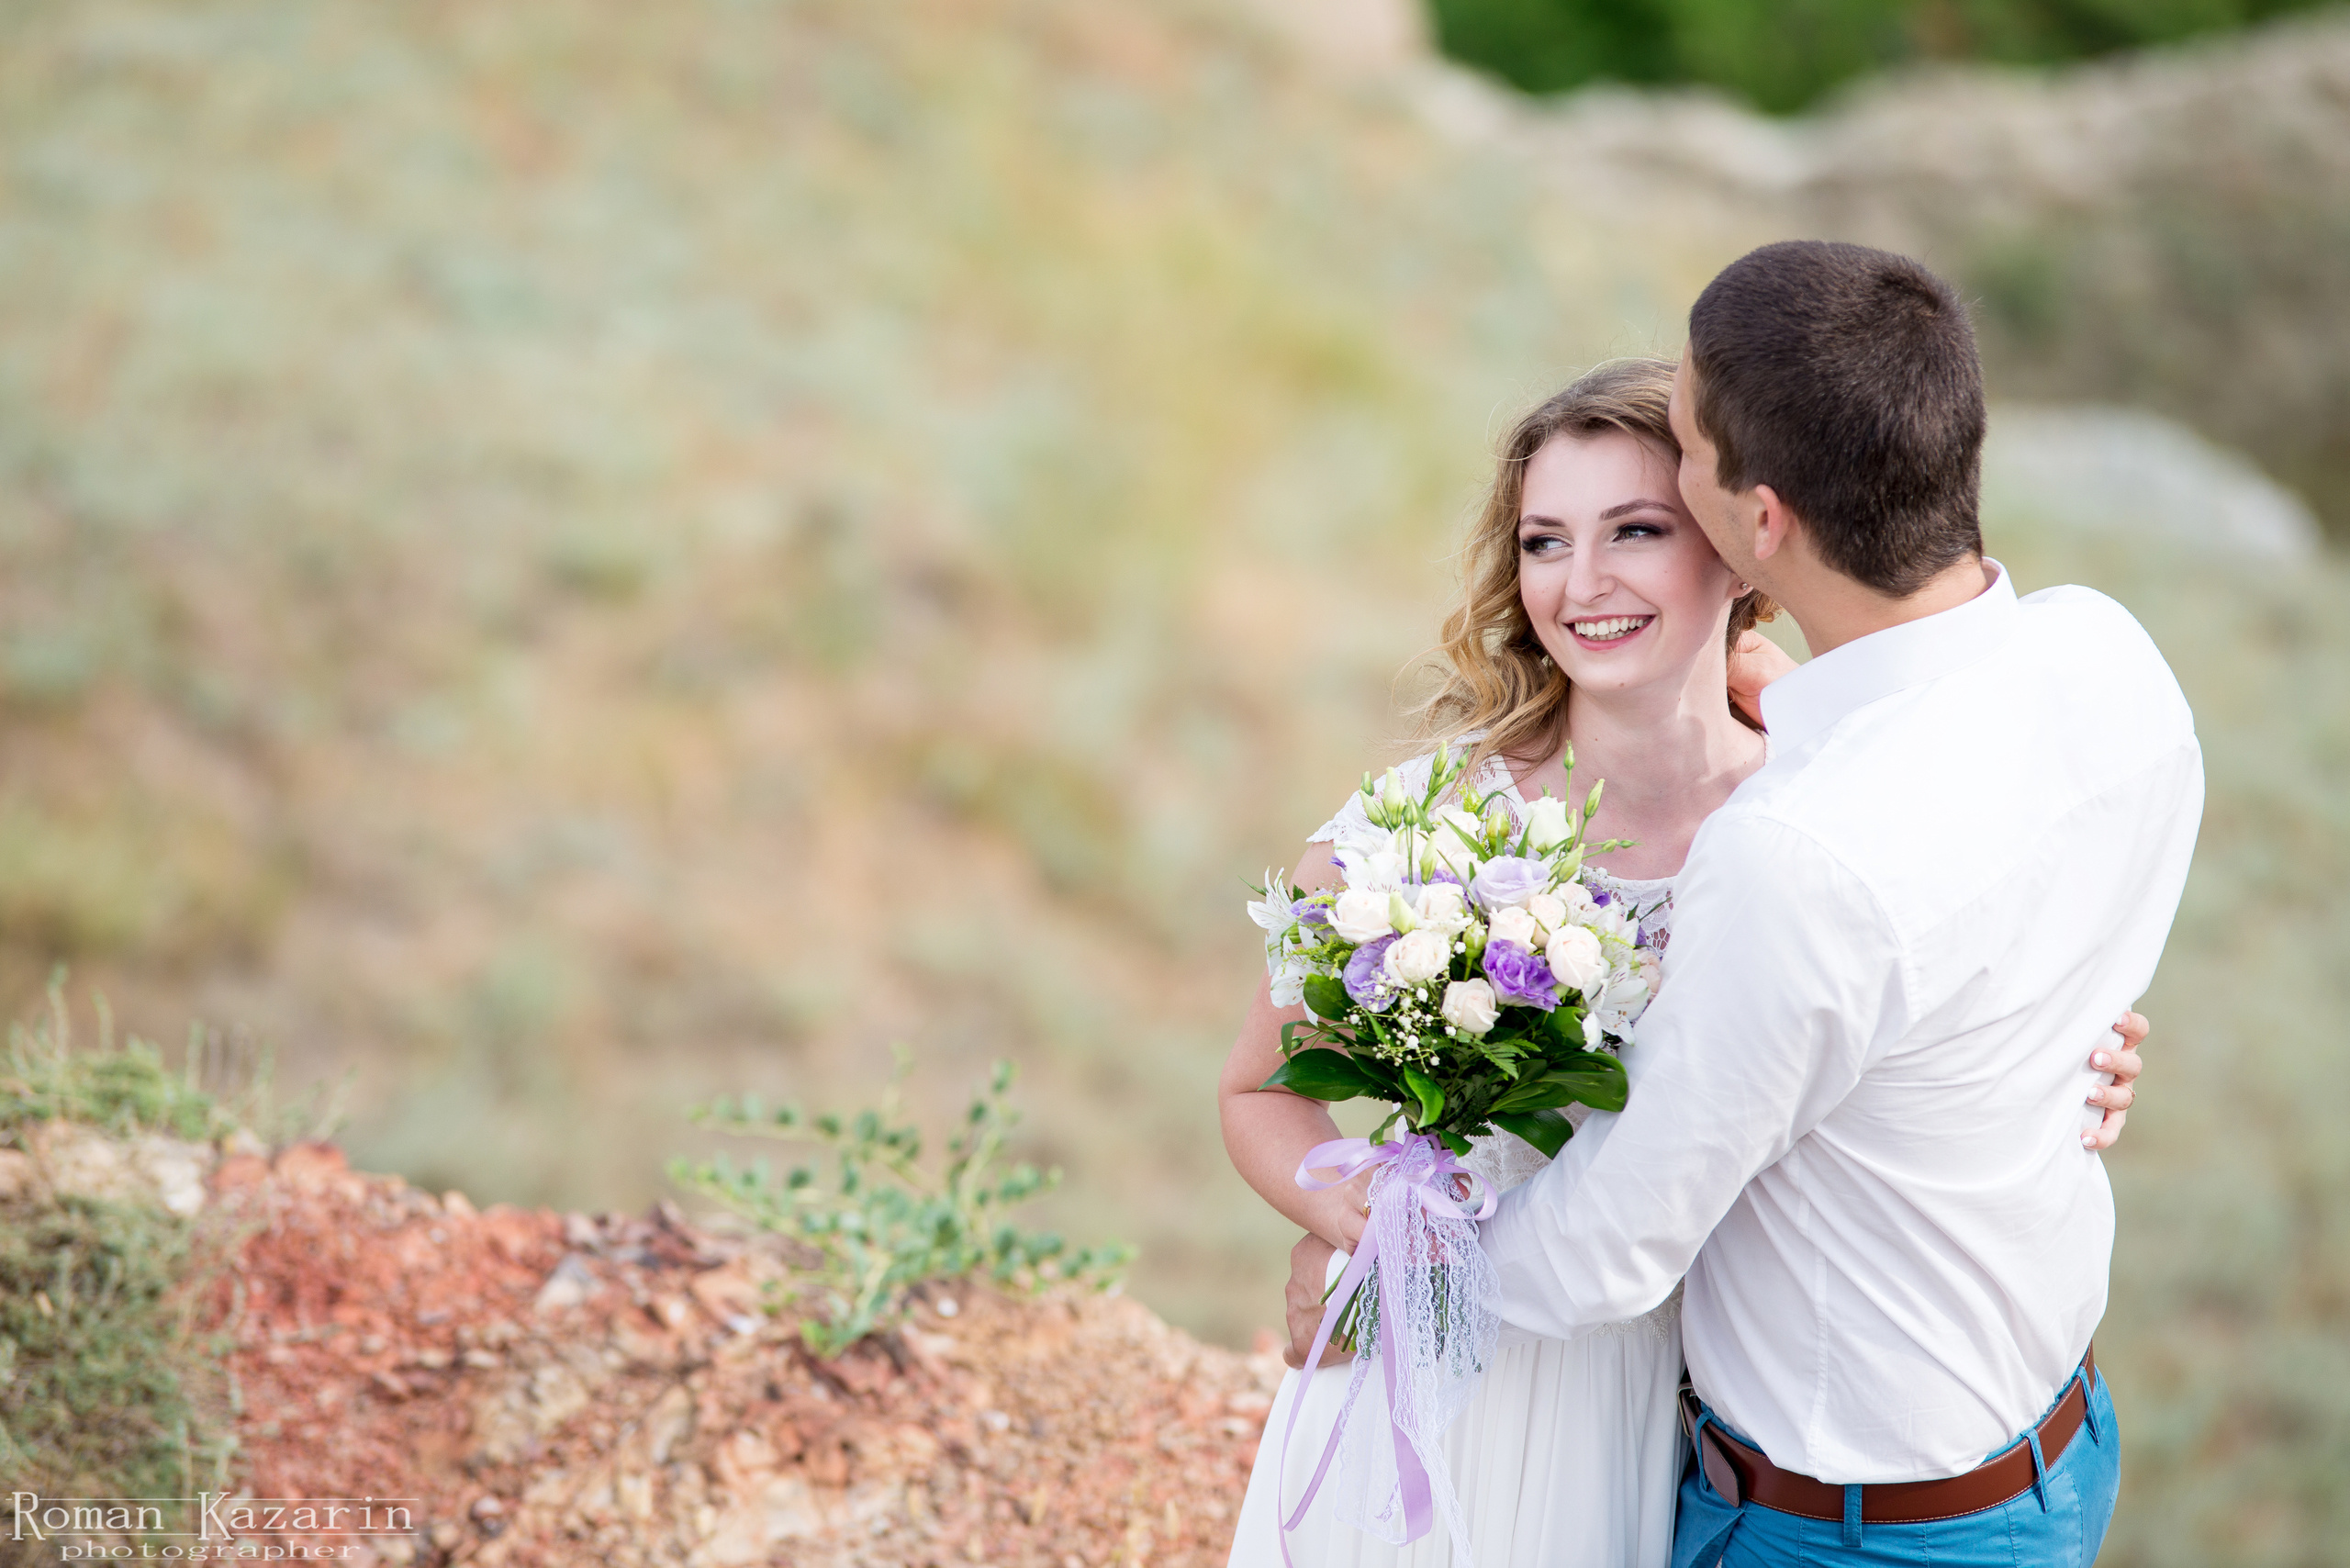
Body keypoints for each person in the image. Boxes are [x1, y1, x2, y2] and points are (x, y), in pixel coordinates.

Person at [1221, 309, 2160, 1564]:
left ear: (1737, 544)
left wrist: (2059, 1057)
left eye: (1637, 532)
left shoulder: (1820, 821)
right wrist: (1380, 1242)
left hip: (1706, 1408)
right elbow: (1255, 1091)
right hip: (1464, 1378)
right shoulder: (1423, 832)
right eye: (1544, 542)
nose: (1580, 582)